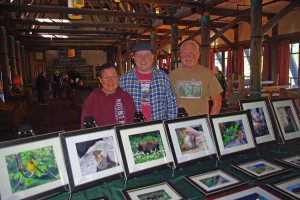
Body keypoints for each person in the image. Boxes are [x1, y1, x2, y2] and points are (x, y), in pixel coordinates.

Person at [119, 43, 177, 121]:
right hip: (133, 128)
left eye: (147, 55)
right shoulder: (124, 80)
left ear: (152, 57)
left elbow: (171, 104)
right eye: (139, 56)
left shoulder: (163, 78)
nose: (143, 59)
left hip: (158, 126)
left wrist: (170, 126)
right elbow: (119, 107)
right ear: (134, 58)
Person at [169, 40, 222, 116]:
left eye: (191, 52)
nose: (188, 56)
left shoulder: (208, 74)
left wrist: (210, 121)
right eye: (184, 53)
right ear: (180, 55)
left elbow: (217, 102)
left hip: (201, 122)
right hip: (179, 122)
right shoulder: (172, 75)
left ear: (198, 54)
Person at [81, 63, 137, 128]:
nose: (110, 81)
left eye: (113, 77)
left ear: (118, 78)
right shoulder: (93, 99)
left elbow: (133, 122)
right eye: (106, 77)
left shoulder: (126, 96)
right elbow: (86, 127)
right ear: (100, 80)